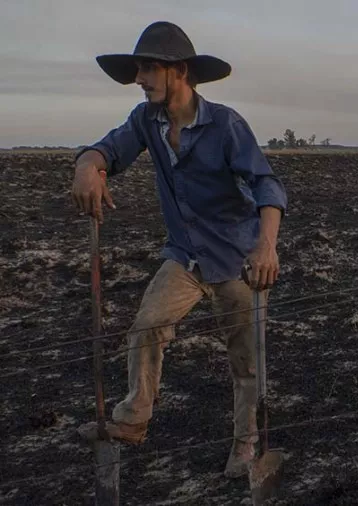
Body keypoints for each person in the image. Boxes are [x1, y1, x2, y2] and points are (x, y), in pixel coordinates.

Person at [71, 21, 288, 479]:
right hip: (185, 255)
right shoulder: (145, 120)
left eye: (150, 68)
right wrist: (87, 166)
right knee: (147, 325)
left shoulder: (226, 125)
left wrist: (266, 246)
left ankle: (246, 445)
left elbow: (267, 186)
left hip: (238, 259)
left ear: (180, 72)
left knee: (247, 360)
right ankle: (133, 420)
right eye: (139, 69)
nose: (141, 78)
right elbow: (108, 150)